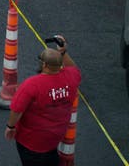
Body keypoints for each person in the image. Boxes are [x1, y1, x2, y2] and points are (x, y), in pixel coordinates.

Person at [6, 36, 81, 166]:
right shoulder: (70, 78)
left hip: (31, 142)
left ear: (44, 65)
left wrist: (10, 127)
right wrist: (63, 52)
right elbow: (74, 69)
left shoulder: (32, 84)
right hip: (54, 139)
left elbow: (17, 109)